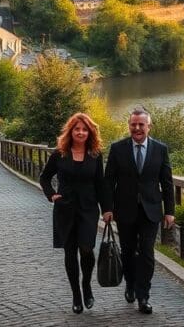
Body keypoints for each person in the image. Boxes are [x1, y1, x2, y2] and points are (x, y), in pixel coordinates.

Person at [103, 106, 175, 315]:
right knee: (127, 252)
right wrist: (107, 208)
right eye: (133, 124)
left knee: (146, 253)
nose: (137, 128)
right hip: (124, 211)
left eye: (141, 125)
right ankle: (130, 284)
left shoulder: (160, 149)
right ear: (129, 126)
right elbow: (108, 182)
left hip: (151, 211)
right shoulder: (117, 149)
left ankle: (143, 296)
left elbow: (167, 183)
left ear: (148, 126)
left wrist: (170, 211)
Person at [39, 113, 111, 315]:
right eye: (77, 129)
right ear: (71, 131)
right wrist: (52, 195)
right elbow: (44, 177)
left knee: (87, 249)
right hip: (65, 209)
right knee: (70, 252)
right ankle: (76, 295)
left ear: (90, 132)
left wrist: (107, 209)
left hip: (88, 209)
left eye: (84, 129)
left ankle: (86, 285)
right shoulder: (59, 153)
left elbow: (101, 184)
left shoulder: (95, 155)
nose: (81, 132)